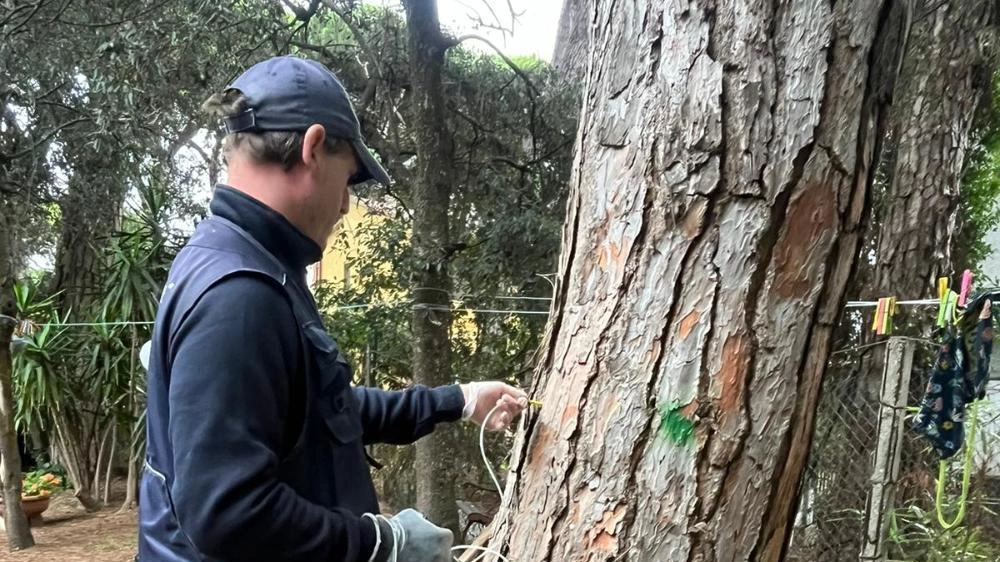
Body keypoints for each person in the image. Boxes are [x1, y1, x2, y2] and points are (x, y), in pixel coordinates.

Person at [138, 55, 529, 562]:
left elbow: (323, 409)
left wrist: (460, 399)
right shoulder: (238, 295)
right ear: (313, 147)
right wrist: (381, 544)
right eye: (348, 181)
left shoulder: (246, 262)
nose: (346, 205)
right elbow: (227, 512)